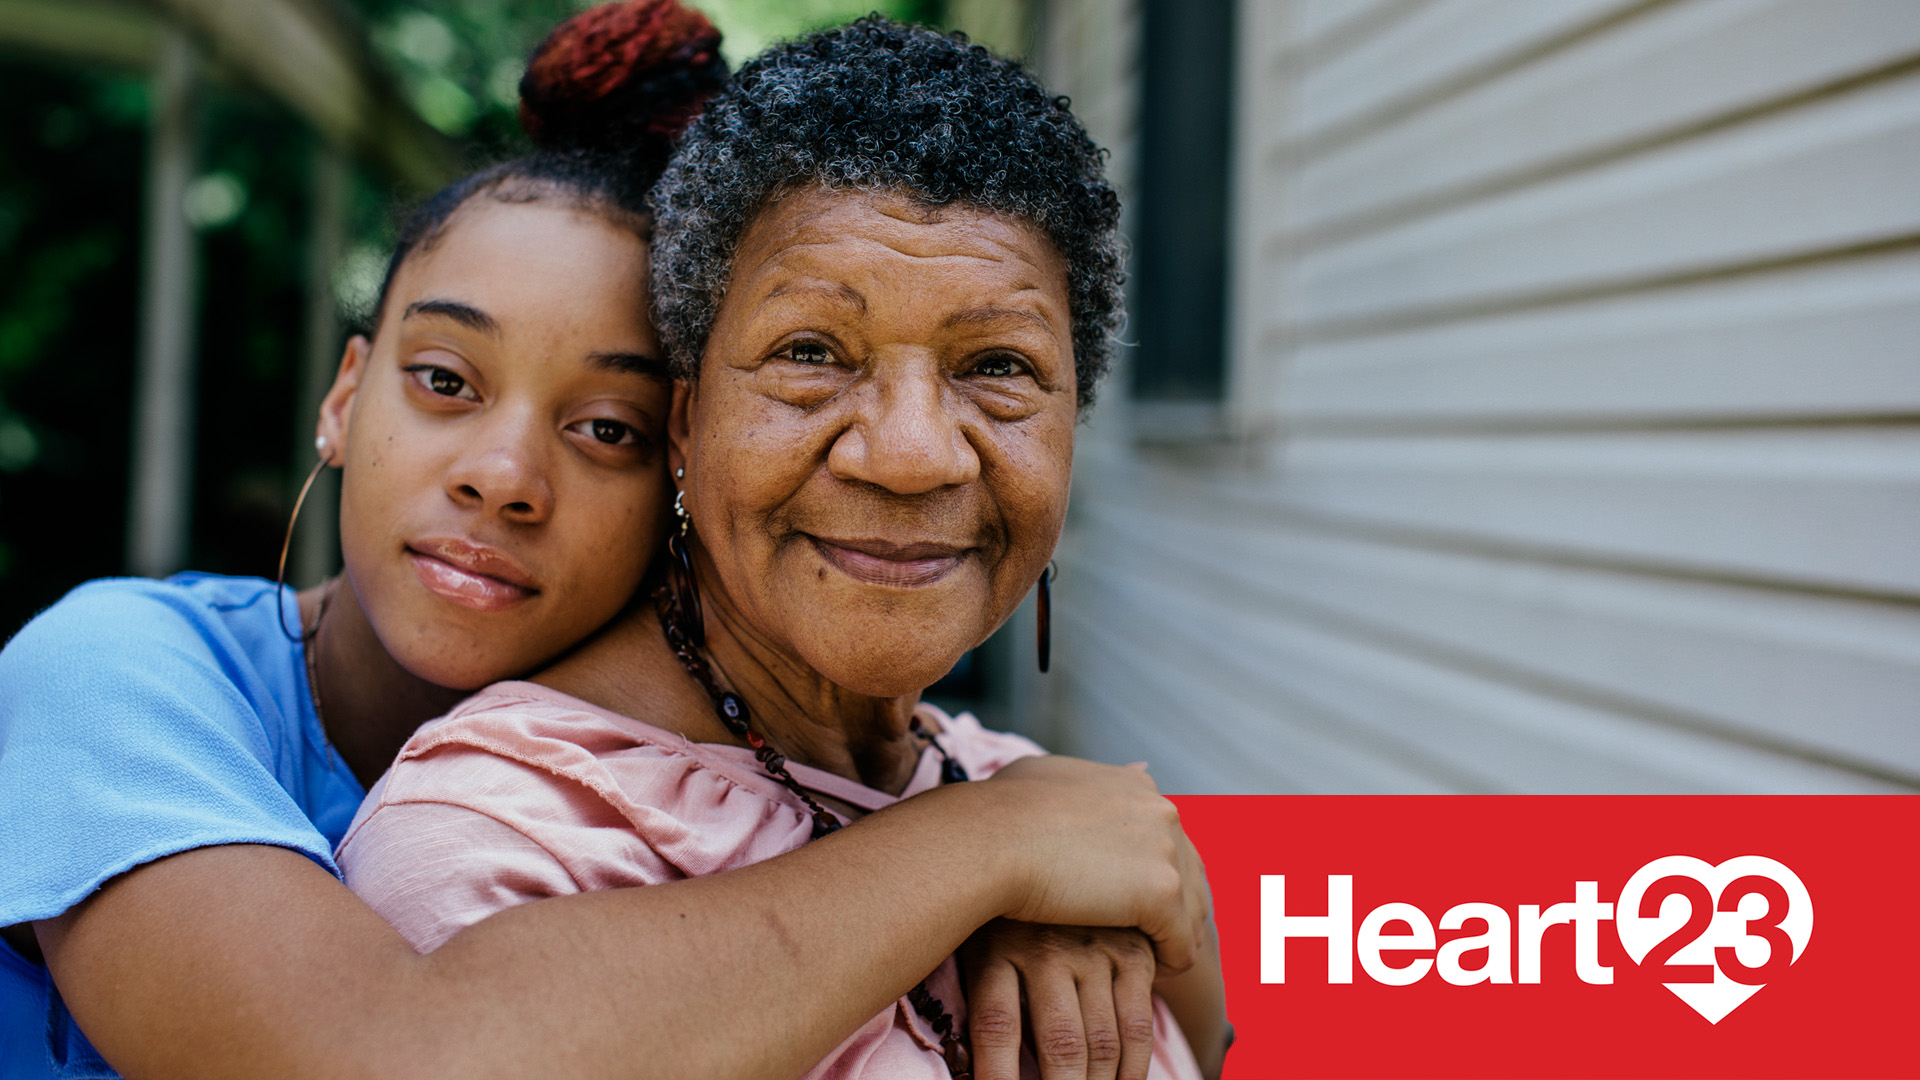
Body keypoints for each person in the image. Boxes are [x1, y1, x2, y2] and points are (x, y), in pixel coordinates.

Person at [0, 5, 1208, 1078]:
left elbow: (1282, 1002)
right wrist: (995, 844)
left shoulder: (884, 766)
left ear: (676, 454)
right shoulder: (120, 677)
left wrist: (1067, 861)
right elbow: (378, 1053)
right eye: (443, 379)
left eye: (606, 428)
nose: (504, 478)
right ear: (342, 394)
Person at [338, 18, 1229, 1080]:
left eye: (998, 364)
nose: (910, 455)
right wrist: (992, 859)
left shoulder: (1039, 799)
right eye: (811, 352)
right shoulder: (511, 835)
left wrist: (1089, 872)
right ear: (685, 424)